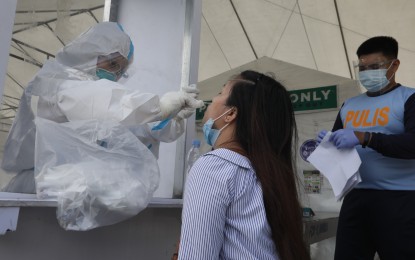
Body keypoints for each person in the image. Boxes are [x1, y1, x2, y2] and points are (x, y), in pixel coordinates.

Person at [1, 21, 203, 193]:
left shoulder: (89, 90)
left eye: (121, 70)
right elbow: (104, 102)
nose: (116, 74)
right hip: (37, 182)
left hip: (57, 182)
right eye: (113, 64)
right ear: (90, 53)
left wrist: (170, 119)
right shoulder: (55, 81)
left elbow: (128, 130)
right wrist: (159, 106)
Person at [178, 70, 310, 260]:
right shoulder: (268, 171)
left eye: (220, 92)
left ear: (231, 113)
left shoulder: (213, 167)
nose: (211, 100)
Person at [317, 36, 415, 259]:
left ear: (395, 65)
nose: (367, 72)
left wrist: (366, 137)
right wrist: (326, 145)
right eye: (362, 67)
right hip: (356, 197)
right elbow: (338, 148)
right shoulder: (349, 105)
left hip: (401, 198)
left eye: (375, 66)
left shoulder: (409, 98)